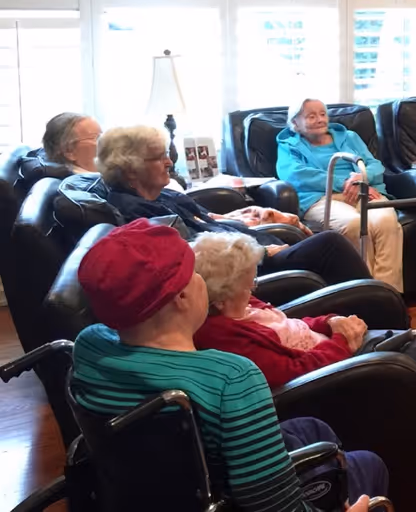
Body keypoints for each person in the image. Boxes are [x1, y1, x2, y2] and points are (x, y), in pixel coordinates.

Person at [189, 231, 416, 512]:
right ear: (221, 295)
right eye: (249, 281)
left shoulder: (240, 304)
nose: (256, 287)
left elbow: (286, 320)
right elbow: (288, 371)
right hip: (329, 370)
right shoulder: (222, 333)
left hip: (332, 347)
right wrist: (341, 344)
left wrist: (331, 321)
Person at [70, 219, 386, 512]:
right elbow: (273, 505)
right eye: (194, 272)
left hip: (151, 493)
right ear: (181, 296)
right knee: (371, 463)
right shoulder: (232, 380)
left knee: (314, 429)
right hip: (227, 496)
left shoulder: (87, 346)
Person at [96, 125, 372, 286]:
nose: (169, 162)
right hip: (245, 269)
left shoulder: (160, 195)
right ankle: (383, 318)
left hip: (252, 247)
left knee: (321, 245)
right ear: (130, 170)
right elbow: (197, 254)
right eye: (159, 158)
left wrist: (244, 216)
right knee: (330, 245)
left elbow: (205, 220)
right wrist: (262, 250)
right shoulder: (141, 214)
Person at [276, 98, 405, 292]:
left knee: (386, 222)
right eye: (311, 116)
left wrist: (362, 177)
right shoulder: (289, 145)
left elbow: (375, 164)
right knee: (353, 225)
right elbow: (295, 174)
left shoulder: (350, 137)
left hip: (364, 190)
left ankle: (388, 294)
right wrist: (344, 183)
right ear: (295, 123)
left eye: (322, 114)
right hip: (321, 198)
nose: (320, 119)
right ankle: (363, 293)